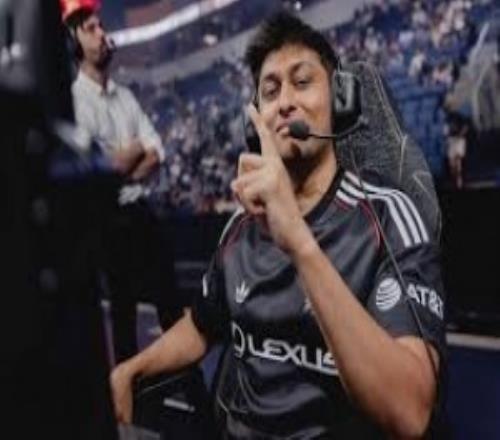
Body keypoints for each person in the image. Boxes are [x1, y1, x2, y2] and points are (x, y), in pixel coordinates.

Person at [111, 12, 446, 438]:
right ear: (255, 119)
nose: (285, 101)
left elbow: (410, 412)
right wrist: (132, 368)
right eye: (270, 91)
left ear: (340, 100)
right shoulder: (240, 226)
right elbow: (200, 326)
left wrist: (299, 241)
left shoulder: (389, 217)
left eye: (302, 82)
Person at [62, 2, 181, 364]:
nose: (102, 34)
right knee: (123, 317)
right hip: (109, 222)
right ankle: (130, 392)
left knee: (172, 306)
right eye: (91, 29)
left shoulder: (126, 97)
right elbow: (105, 169)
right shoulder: (75, 102)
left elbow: (156, 151)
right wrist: (132, 152)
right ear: (75, 44)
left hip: (141, 211)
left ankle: (190, 385)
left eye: (101, 26)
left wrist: (125, 161)